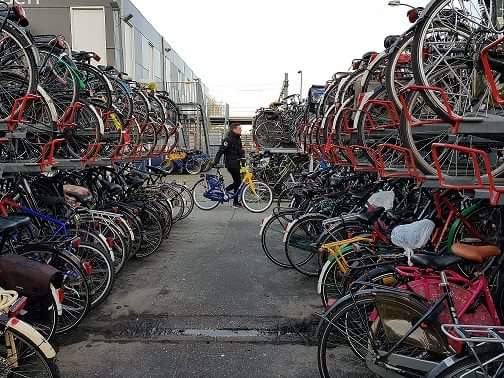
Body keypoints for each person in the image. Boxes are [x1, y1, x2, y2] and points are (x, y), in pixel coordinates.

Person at [213, 123, 245, 208]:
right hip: (231, 164)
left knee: (237, 182)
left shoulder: (238, 139)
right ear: (234, 129)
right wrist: (215, 162)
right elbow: (221, 151)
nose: (241, 130)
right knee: (238, 182)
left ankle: (231, 197)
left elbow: (240, 151)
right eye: (239, 128)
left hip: (237, 163)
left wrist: (243, 159)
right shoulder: (228, 139)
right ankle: (232, 199)